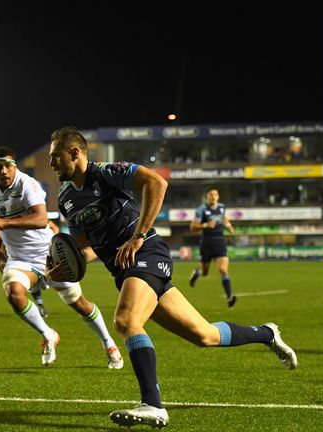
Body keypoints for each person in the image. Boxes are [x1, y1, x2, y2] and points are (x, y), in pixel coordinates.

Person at [47, 127, 297, 429]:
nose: (51, 163)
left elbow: (156, 182)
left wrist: (138, 236)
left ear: (74, 153)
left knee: (126, 321)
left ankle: (153, 405)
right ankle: (267, 333)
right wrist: (69, 264)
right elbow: (85, 248)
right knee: (204, 335)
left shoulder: (106, 173)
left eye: (55, 156)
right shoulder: (65, 199)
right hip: (125, 269)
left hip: (147, 254)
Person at [0, 146, 123, 368]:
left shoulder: (27, 184)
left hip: (50, 254)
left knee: (79, 304)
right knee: (14, 293)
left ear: (14, 166)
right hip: (19, 259)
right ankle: (48, 334)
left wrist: (4, 222)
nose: (4, 171)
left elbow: (41, 219)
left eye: (8, 166)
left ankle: (109, 343)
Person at [188, 188, 237, 308]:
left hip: (220, 242)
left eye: (215, 194)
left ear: (218, 196)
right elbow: (193, 226)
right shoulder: (202, 210)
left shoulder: (221, 207)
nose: (213, 196)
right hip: (207, 244)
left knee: (223, 270)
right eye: (211, 195)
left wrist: (229, 225)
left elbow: (224, 218)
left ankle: (230, 297)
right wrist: (205, 225)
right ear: (207, 197)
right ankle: (197, 273)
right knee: (205, 273)